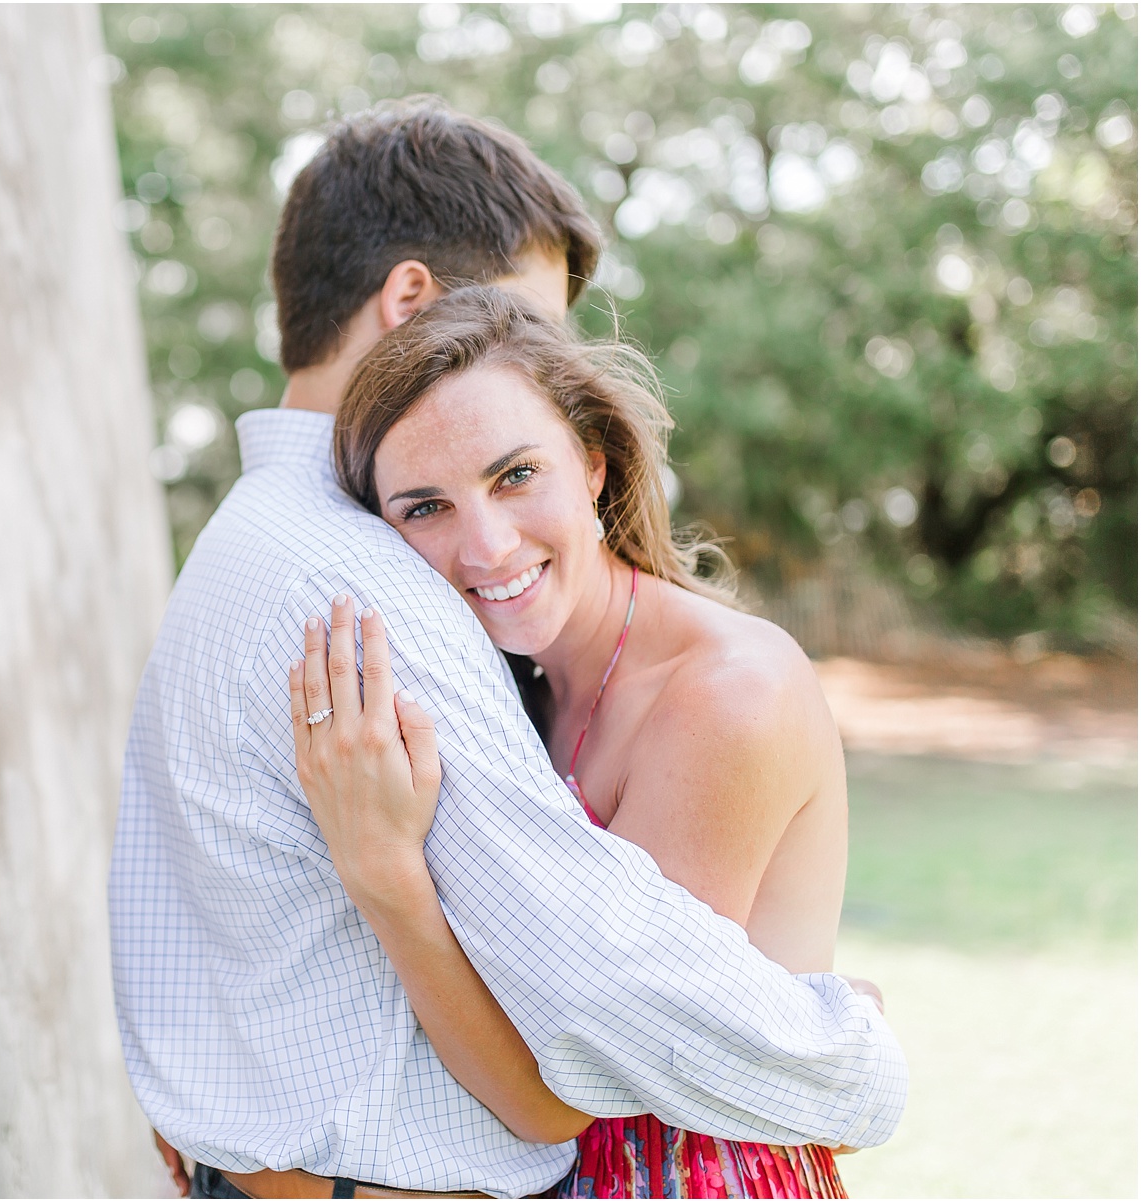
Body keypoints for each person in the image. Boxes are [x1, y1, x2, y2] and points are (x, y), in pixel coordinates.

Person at [110, 98, 905, 1201]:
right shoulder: (363, 576)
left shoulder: (263, 538)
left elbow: (601, 1012)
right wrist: (850, 1047)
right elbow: (586, 1017)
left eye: (519, 468)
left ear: (588, 459)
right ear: (412, 304)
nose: (539, 358)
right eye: (526, 319)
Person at [292, 285, 865, 1197]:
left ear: (593, 465)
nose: (485, 547)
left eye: (515, 476)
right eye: (424, 508)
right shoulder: (503, 690)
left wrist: (384, 874)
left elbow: (569, 1082)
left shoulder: (728, 697)